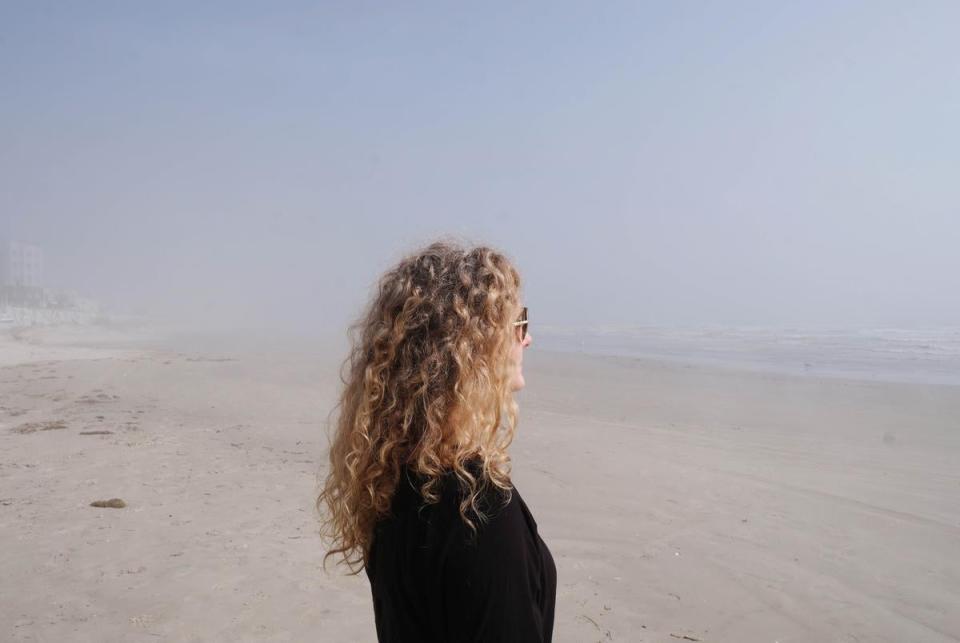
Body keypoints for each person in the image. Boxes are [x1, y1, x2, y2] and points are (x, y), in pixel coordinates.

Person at [317, 241, 556, 642]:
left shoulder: (391, 480)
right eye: (519, 324)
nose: (527, 339)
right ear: (475, 347)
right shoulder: (478, 512)